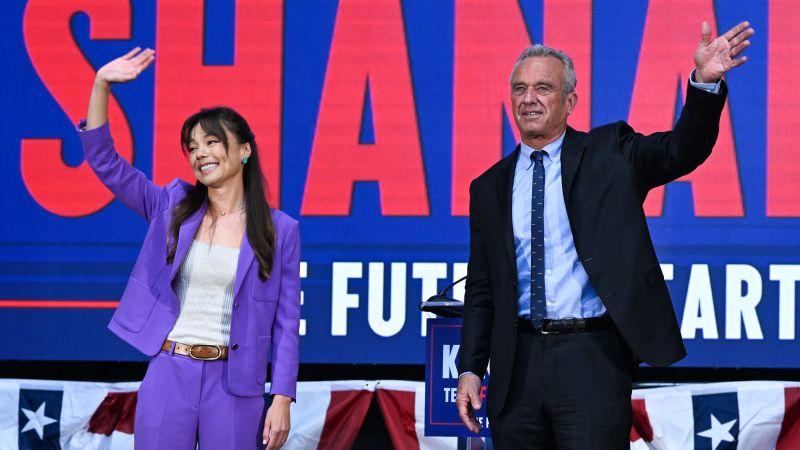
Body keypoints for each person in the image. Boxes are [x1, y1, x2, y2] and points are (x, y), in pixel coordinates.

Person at [456, 21, 754, 448]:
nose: (528, 99)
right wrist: (470, 368)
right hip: (515, 365)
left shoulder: (610, 152)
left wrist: (704, 85)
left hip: (591, 357)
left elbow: (680, 150)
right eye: (520, 89)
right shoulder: (488, 187)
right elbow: (482, 289)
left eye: (543, 88)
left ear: (571, 100)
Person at [78, 48, 300, 450]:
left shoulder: (280, 230)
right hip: (169, 370)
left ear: (244, 149)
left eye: (212, 142)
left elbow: (287, 323)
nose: (200, 154)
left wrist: (282, 397)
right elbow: (105, 162)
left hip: (236, 384)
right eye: (192, 147)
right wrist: (101, 84)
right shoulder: (172, 206)